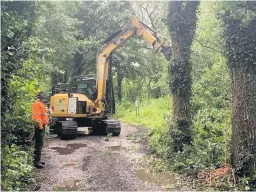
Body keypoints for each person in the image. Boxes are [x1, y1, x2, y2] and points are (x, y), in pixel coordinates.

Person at [31, 91, 49, 168]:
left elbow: (43, 115)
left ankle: (38, 159)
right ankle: (36, 162)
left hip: (42, 126)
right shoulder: (36, 104)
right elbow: (36, 117)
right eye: (42, 94)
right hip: (39, 127)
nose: (43, 95)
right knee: (38, 143)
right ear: (38, 96)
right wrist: (40, 127)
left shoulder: (41, 104)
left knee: (40, 143)